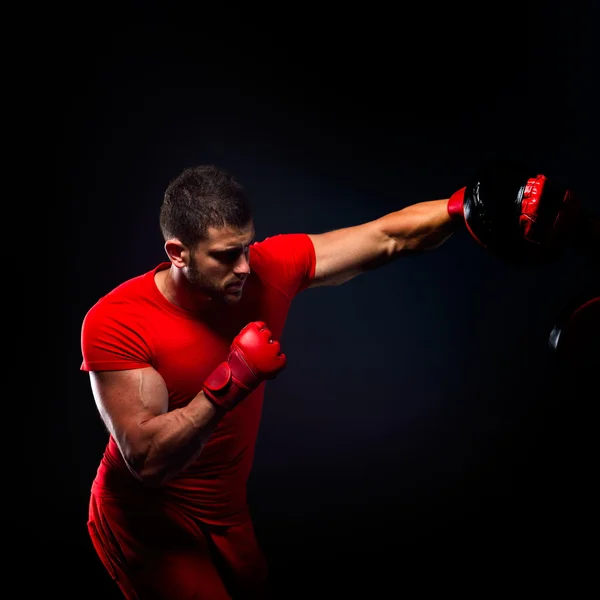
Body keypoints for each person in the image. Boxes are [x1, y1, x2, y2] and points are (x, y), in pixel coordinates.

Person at [79, 163, 588, 599]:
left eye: (248, 248)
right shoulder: (118, 320)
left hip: (226, 509)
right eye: (225, 256)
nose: (243, 267)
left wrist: (463, 209)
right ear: (177, 252)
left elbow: (385, 236)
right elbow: (147, 460)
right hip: (146, 519)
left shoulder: (262, 269)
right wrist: (229, 381)